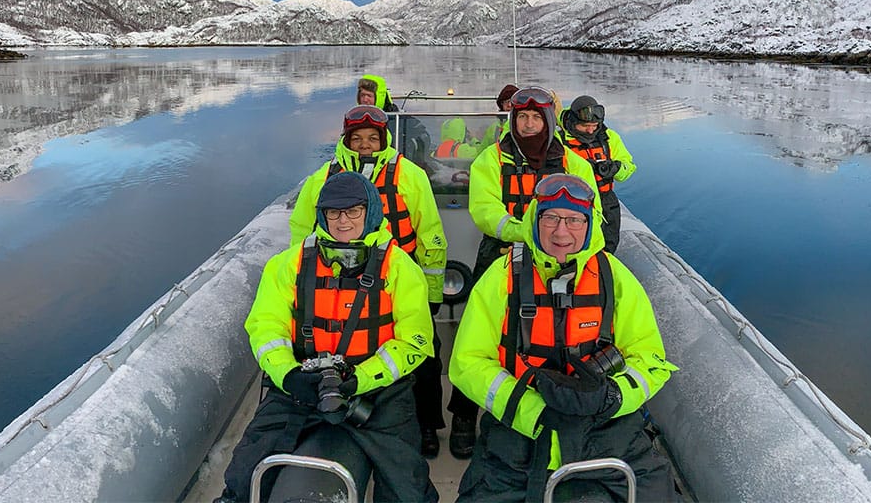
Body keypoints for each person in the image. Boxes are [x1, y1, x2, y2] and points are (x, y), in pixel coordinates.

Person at [449, 174, 678, 502]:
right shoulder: (499, 279)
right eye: (551, 218)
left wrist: (612, 397)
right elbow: (467, 362)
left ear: (589, 226)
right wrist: (533, 410)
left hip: (605, 429)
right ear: (534, 219)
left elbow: (650, 358)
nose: (561, 232)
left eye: (573, 220)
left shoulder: (615, 279)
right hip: (521, 428)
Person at [216, 172, 438, 503]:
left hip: (379, 393)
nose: (342, 221)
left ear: (371, 212)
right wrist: (289, 375)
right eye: (333, 212)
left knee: (409, 490)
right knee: (243, 474)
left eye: (353, 211)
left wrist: (360, 379)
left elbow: (415, 340)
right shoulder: (287, 265)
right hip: (300, 386)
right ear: (322, 214)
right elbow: (265, 326)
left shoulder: (401, 268)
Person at [446, 85, 601, 459]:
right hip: (501, 254)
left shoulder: (574, 163)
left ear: (548, 119)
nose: (528, 124)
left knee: (554, 334)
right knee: (480, 335)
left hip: (560, 261)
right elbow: (485, 211)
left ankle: (554, 402)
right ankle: (464, 416)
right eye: (522, 117)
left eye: (535, 117)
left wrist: (561, 244)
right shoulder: (491, 160)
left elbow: (591, 217)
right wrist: (530, 233)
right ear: (512, 120)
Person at [289, 105, 448, 457]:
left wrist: (431, 292)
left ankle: (427, 423)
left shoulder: (409, 175)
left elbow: (430, 234)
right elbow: (301, 234)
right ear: (346, 140)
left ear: (383, 139)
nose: (364, 145)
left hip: (398, 282)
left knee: (426, 357)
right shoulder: (321, 180)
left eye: (372, 139)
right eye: (357, 139)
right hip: (337, 284)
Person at [559, 95, 636, 253]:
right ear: (572, 122)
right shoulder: (558, 141)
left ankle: (601, 272)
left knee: (608, 246)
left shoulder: (609, 138)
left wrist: (614, 168)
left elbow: (629, 167)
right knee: (574, 249)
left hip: (606, 201)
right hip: (571, 204)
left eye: (594, 125)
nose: (590, 130)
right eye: (585, 126)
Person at [478, 83, 518, 151]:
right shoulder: (493, 128)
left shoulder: (526, 124)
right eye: (505, 102)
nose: (509, 105)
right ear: (501, 105)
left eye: (512, 101)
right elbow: (482, 150)